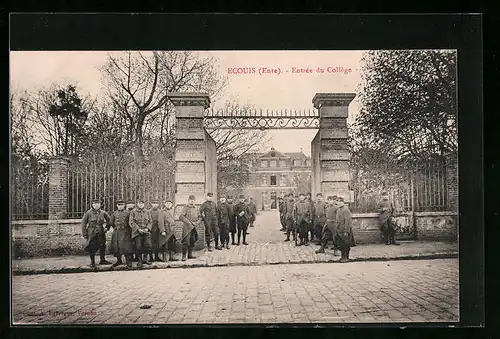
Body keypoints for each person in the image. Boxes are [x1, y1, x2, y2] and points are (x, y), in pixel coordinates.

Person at [81, 198, 111, 267]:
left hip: (101, 232)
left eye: (98, 204)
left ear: (100, 205)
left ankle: (102, 260)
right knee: (91, 247)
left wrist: (107, 228)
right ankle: (92, 262)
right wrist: (84, 233)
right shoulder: (88, 213)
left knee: (102, 245)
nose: (96, 205)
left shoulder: (103, 213)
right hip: (91, 232)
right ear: (92, 205)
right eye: (95, 204)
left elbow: (110, 220)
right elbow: (83, 223)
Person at [107, 199, 134, 268]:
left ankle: (128, 261)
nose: (120, 206)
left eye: (122, 205)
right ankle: (119, 260)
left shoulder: (128, 213)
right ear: (117, 205)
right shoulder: (114, 213)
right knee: (117, 247)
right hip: (117, 232)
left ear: (124, 205)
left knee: (126, 247)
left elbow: (131, 222)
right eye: (119, 205)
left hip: (125, 232)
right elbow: (111, 222)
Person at [129, 198, 152, 268]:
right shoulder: (133, 212)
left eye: (142, 203)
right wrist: (138, 229)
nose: (141, 205)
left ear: (144, 204)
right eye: (139, 203)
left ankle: (145, 259)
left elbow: (150, 221)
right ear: (137, 204)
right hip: (137, 232)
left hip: (146, 231)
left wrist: (147, 228)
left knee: (148, 245)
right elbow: (131, 222)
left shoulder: (147, 212)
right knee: (138, 247)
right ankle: (140, 261)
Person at [179, 195, 200, 261]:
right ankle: (184, 256)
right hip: (187, 228)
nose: (192, 201)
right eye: (191, 200)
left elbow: (200, 217)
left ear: (195, 201)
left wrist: (197, 223)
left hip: (194, 227)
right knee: (186, 242)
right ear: (188, 200)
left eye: (193, 200)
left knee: (193, 241)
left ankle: (190, 255)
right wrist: (188, 223)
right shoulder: (185, 208)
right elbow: (181, 217)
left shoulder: (196, 208)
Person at [335, 197, 355, 262]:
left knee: (346, 244)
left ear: (343, 202)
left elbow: (348, 221)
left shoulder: (346, 210)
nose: (338, 203)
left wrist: (346, 231)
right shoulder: (338, 210)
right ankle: (342, 257)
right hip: (339, 230)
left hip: (344, 230)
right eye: (337, 201)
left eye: (339, 201)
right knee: (341, 244)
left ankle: (346, 257)